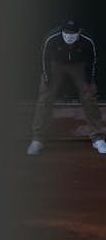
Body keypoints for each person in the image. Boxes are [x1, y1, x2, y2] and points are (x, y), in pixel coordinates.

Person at [27, 19, 106, 155]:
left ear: (79, 32)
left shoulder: (87, 40)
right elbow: (44, 59)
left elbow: (93, 61)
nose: (69, 36)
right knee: (45, 96)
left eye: (73, 33)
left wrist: (89, 81)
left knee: (89, 96)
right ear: (61, 31)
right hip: (55, 64)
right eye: (66, 33)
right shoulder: (52, 38)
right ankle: (37, 138)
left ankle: (98, 138)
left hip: (78, 65)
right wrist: (47, 78)